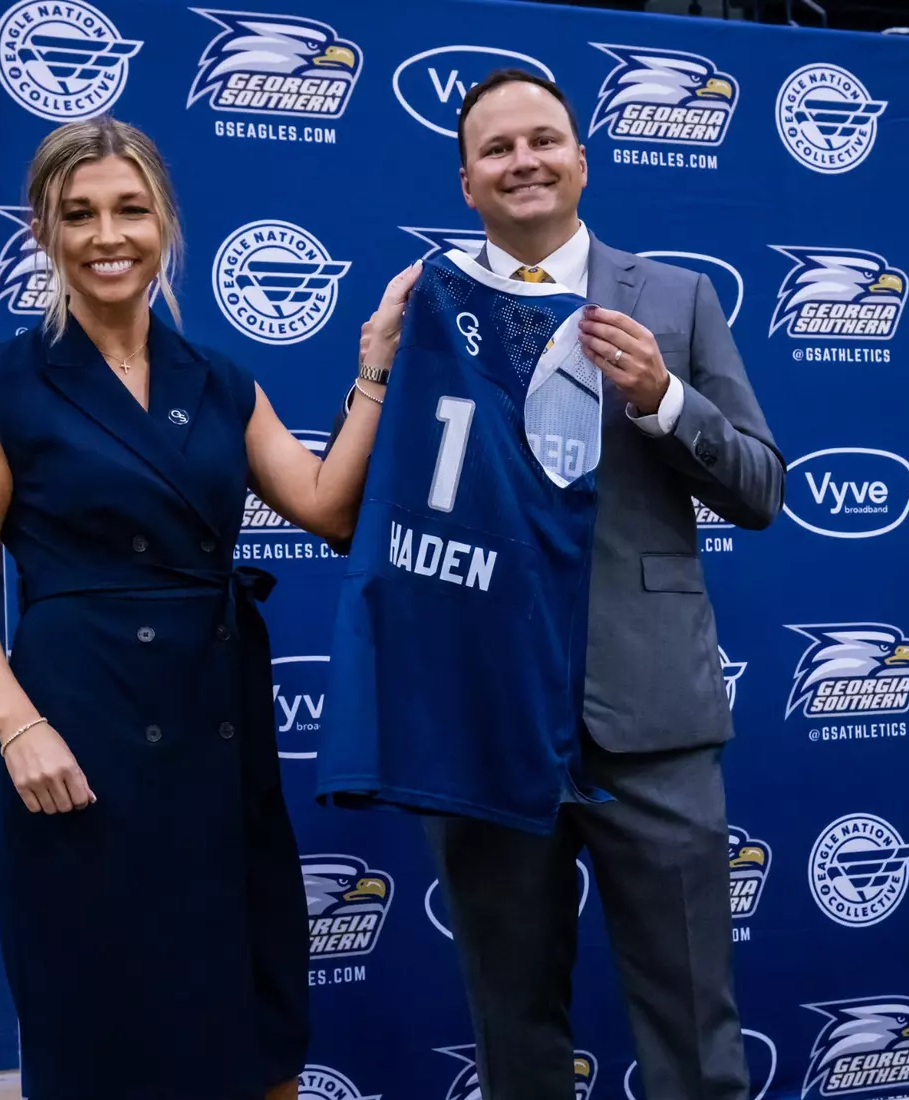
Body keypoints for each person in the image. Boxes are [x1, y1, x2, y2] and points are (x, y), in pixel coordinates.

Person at [0, 115, 416, 1100]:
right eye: (80, 214)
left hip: (216, 724)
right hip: (78, 733)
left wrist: (374, 366)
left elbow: (324, 506)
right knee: (103, 1017)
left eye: (130, 210)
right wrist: (20, 727)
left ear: (165, 223)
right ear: (45, 233)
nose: (108, 234)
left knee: (250, 1010)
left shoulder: (218, 379)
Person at [334, 70, 783, 1099]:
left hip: (651, 720)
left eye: (545, 140)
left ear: (583, 158)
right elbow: (386, 505)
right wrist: (374, 370)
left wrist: (664, 399)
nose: (523, 161)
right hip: (485, 719)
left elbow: (761, 487)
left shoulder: (675, 299)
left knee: (694, 1027)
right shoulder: (425, 309)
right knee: (511, 1026)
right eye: (498, 149)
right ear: (465, 182)